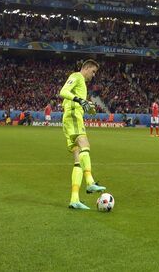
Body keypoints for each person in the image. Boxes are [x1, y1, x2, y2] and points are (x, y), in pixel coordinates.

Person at [60, 59, 107, 211]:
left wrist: (88, 107)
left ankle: (74, 199)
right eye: (93, 71)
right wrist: (81, 100)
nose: (94, 75)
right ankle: (90, 182)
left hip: (72, 118)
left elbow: (78, 102)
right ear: (86, 68)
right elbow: (63, 92)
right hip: (73, 118)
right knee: (85, 145)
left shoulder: (83, 85)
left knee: (77, 160)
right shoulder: (77, 76)